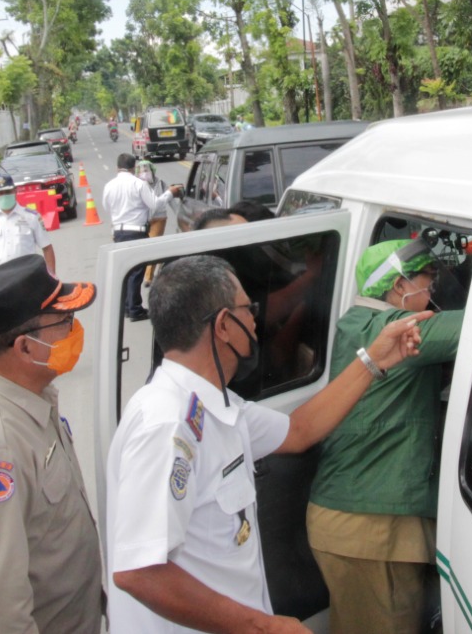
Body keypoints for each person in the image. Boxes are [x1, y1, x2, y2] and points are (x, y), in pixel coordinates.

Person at [106, 255, 429, 633]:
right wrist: (264, 627)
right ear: (224, 325)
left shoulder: (214, 404)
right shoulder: (167, 424)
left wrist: (374, 358)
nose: (257, 321)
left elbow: (298, 431)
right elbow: (138, 572)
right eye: (248, 308)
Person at [0, 255, 102, 634]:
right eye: (65, 323)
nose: (75, 330)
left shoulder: (28, 392)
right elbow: (1, 613)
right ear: (24, 348)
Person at [307, 238, 465, 634]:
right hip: (369, 529)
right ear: (399, 286)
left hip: (360, 525)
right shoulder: (388, 330)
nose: (432, 296)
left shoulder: (358, 323)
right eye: (428, 283)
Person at [100, 153, 181, 321]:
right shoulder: (139, 184)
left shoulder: (109, 185)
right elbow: (155, 204)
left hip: (118, 232)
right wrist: (170, 193)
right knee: (137, 271)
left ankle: (127, 308)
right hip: (136, 231)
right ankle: (135, 309)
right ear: (133, 167)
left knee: (125, 271)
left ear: (117, 167)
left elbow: (106, 207)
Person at [0, 173, 55, 275]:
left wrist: (52, 275)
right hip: (0, 277)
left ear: (15, 191)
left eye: (8, 191)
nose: (4, 195)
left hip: (27, 275)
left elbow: (47, 248)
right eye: (0, 193)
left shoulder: (31, 217)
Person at [136, 159, 168, 286]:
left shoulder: (161, 183)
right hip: (143, 220)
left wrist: (179, 213)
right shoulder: (137, 185)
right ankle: (159, 263)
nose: (144, 172)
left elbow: (169, 198)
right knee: (147, 246)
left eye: (147, 169)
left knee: (152, 244)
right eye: (142, 170)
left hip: (159, 218)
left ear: (152, 170)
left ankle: (148, 277)